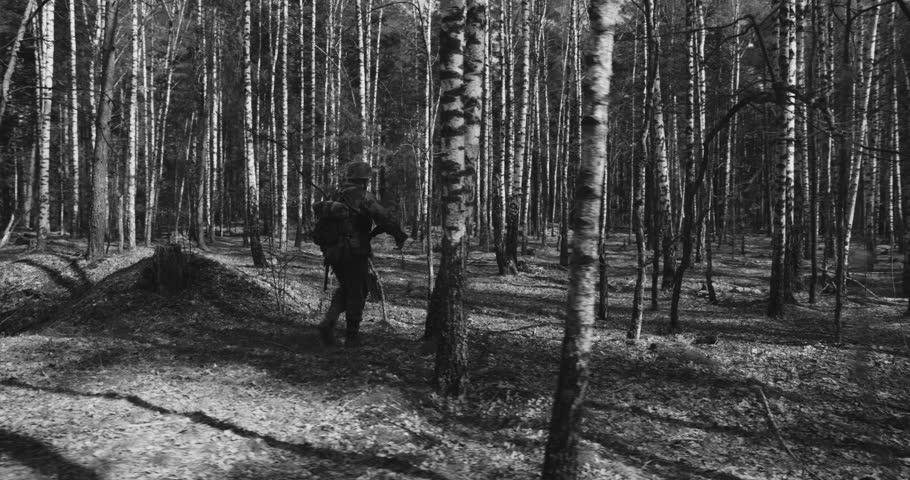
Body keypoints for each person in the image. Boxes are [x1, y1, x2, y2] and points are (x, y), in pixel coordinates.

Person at [318, 160, 408, 348]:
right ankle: (352, 337)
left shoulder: (336, 194)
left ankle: (329, 321)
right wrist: (399, 235)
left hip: (334, 252)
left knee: (347, 287)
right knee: (358, 292)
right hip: (354, 251)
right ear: (365, 179)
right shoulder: (363, 196)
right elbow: (384, 218)